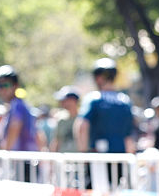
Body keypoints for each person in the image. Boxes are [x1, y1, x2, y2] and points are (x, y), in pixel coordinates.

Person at [75, 59, 138, 188]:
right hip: (120, 158)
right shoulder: (125, 100)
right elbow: (129, 134)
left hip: (97, 157)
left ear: (98, 78)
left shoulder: (93, 99)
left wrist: (83, 153)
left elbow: (82, 126)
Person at [0, 66, 38, 152]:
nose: (2, 90)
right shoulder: (15, 105)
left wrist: (6, 152)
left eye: (6, 85)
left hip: (23, 160)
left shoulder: (17, 105)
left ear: (15, 86)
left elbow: (15, 126)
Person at [49, 86, 80, 153]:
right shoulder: (61, 120)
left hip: (80, 159)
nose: (62, 103)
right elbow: (56, 141)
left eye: (65, 100)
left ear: (73, 100)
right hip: (64, 159)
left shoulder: (84, 119)